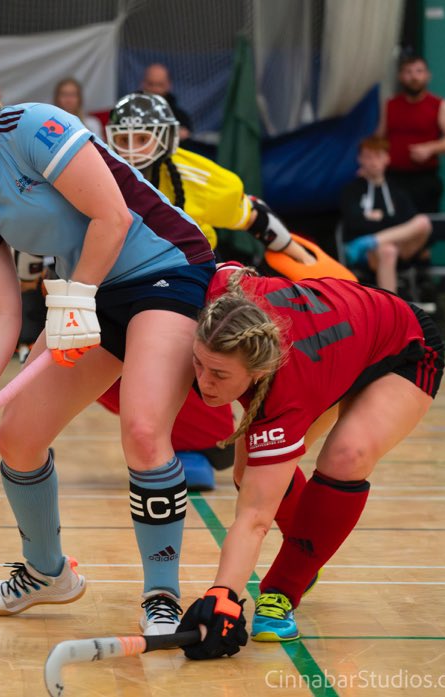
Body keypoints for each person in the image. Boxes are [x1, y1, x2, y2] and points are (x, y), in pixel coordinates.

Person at [0, 45, 217, 636]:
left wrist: (75, 299)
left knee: (143, 432)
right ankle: (48, 574)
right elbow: (1, 308)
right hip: (88, 292)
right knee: (17, 437)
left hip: (166, 269)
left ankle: (162, 596)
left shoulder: (36, 128)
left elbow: (113, 218)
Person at [174, 261, 444, 659]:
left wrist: (223, 595)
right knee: (249, 474)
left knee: (346, 456)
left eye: (219, 374)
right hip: (338, 342)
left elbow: (254, 518)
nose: (203, 381)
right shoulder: (221, 302)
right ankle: (305, 556)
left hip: (402, 344)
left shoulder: (287, 392)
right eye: (198, 363)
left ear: (259, 371)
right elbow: (223, 268)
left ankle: (283, 588)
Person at [98, 92, 352, 491]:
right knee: (101, 369)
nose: (131, 150)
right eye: (123, 139)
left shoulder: (202, 179)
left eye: (142, 138)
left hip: (187, 287)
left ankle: (210, 440)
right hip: (118, 287)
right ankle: (185, 439)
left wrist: (300, 256)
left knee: (193, 362)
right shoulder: (93, 171)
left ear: (166, 138)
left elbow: (254, 216)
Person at [339, 136, 433, 295]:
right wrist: (389, 223)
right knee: (387, 250)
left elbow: (409, 221)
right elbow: (354, 224)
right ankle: (391, 305)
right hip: (367, 254)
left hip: (402, 248)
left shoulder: (398, 190)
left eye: (378, 156)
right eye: (368, 157)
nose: (373, 162)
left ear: (387, 159)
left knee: (423, 222)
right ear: (359, 159)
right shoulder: (351, 190)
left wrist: (379, 219)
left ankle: (371, 241)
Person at [376, 55, 445, 213]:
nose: (414, 77)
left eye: (419, 71)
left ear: (428, 76)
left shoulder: (439, 105)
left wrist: (430, 148)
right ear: (400, 77)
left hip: (424, 179)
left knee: (425, 223)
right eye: (408, 72)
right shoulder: (389, 105)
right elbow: (379, 139)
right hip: (392, 177)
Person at [139, 63, 192, 140]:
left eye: (160, 85)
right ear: (142, 83)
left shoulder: (180, 118)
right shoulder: (128, 111)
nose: (155, 89)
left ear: (169, 85)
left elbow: (186, 137)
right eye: (150, 84)